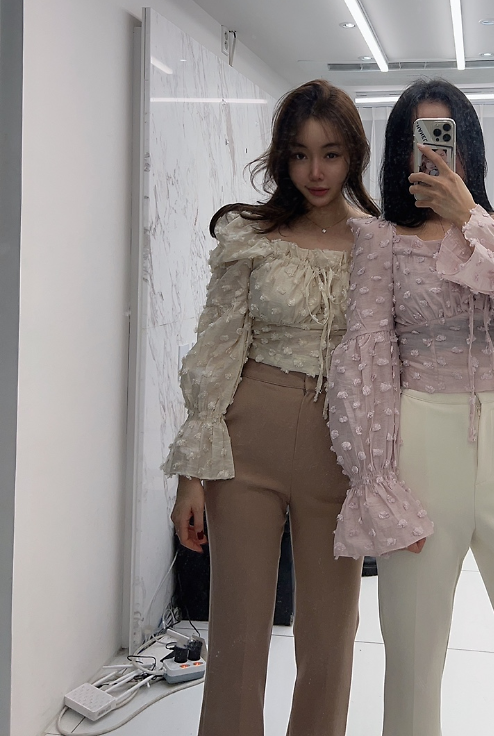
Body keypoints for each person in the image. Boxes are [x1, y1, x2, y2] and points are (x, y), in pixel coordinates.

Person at [327, 79, 494, 736]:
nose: (438, 154)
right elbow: (367, 359)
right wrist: (375, 482)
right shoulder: (381, 241)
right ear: (402, 152)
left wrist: (472, 219)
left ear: (471, 144)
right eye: (424, 140)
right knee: (412, 671)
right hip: (422, 447)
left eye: (449, 137)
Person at [163, 80, 379, 736]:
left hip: (338, 445)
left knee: (331, 632)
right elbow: (216, 348)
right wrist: (191, 476)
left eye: (331, 154)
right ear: (282, 158)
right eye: (300, 154)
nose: (316, 172)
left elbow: (390, 359)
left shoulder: (380, 243)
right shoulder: (252, 236)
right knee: (237, 629)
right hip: (248, 438)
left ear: (353, 155)